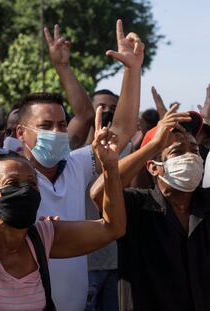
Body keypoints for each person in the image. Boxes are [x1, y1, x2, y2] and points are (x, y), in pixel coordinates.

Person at [0, 9, 144, 310]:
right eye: (46, 126)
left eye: (62, 125)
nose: (58, 132)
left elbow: (123, 130)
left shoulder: (76, 165)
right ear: (21, 133)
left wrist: (132, 69)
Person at [0, 101, 125, 310]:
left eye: (32, 183)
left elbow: (112, 228)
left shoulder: (42, 238)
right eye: (13, 183)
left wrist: (110, 166)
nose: (26, 190)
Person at [91, 106, 210, 311]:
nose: (190, 157)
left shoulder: (207, 202)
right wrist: (153, 145)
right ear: (154, 167)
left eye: (194, 150)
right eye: (178, 152)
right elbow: (99, 194)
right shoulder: (136, 205)